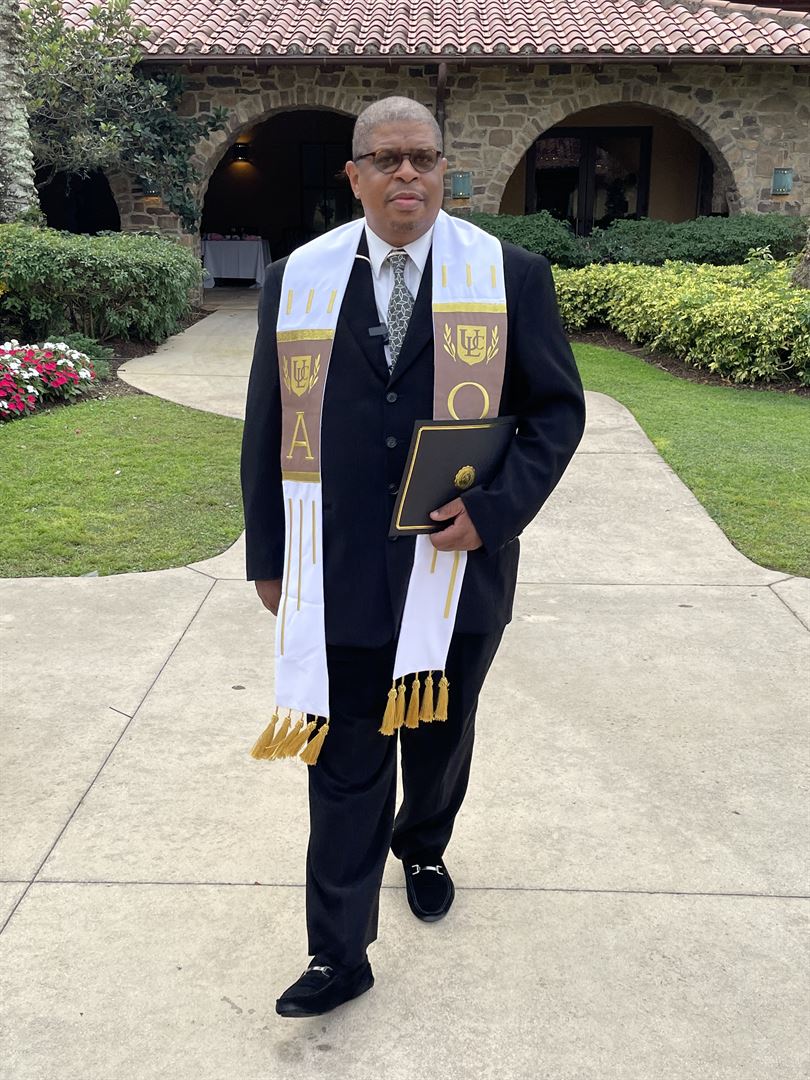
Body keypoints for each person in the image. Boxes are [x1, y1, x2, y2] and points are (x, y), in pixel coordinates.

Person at [240, 95, 586, 1018]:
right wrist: (270, 557)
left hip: (461, 567)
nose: (407, 174)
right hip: (340, 568)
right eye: (387, 158)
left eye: (423, 158)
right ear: (354, 175)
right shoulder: (296, 281)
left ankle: (424, 842)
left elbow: (557, 412)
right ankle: (337, 953)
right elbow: (267, 426)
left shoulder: (511, 276)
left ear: (443, 171)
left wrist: (496, 510)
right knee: (345, 759)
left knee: (439, 738)